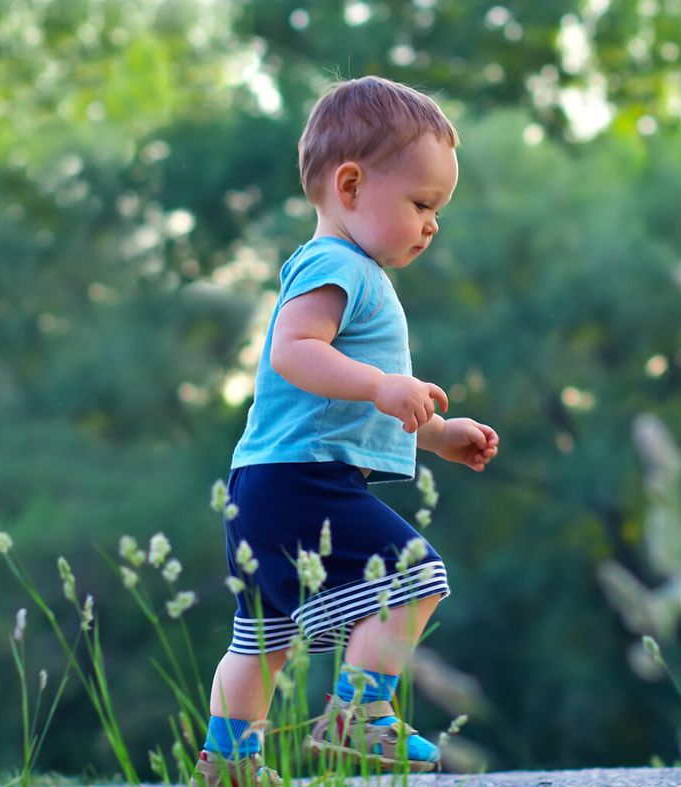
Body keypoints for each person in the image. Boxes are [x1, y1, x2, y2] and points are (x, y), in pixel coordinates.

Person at [192, 75, 500, 787]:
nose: (432, 224)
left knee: (260, 641)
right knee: (415, 574)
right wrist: (383, 384)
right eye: (422, 203)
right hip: (300, 480)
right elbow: (294, 353)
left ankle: (229, 762)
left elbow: (343, 409)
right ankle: (358, 715)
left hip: (266, 483)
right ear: (352, 185)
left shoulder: (347, 270)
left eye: (438, 210)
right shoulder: (335, 265)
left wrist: (439, 432)